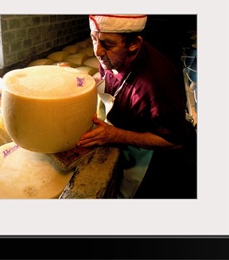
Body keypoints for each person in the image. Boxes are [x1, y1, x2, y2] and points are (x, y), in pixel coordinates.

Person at [76, 14, 196, 199]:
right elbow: (105, 76)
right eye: (93, 39)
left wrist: (115, 135)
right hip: (124, 128)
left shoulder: (157, 82)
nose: (97, 51)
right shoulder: (111, 57)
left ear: (134, 44)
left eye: (107, 44)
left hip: (151, 160)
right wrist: (79, 85)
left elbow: (174, 140)